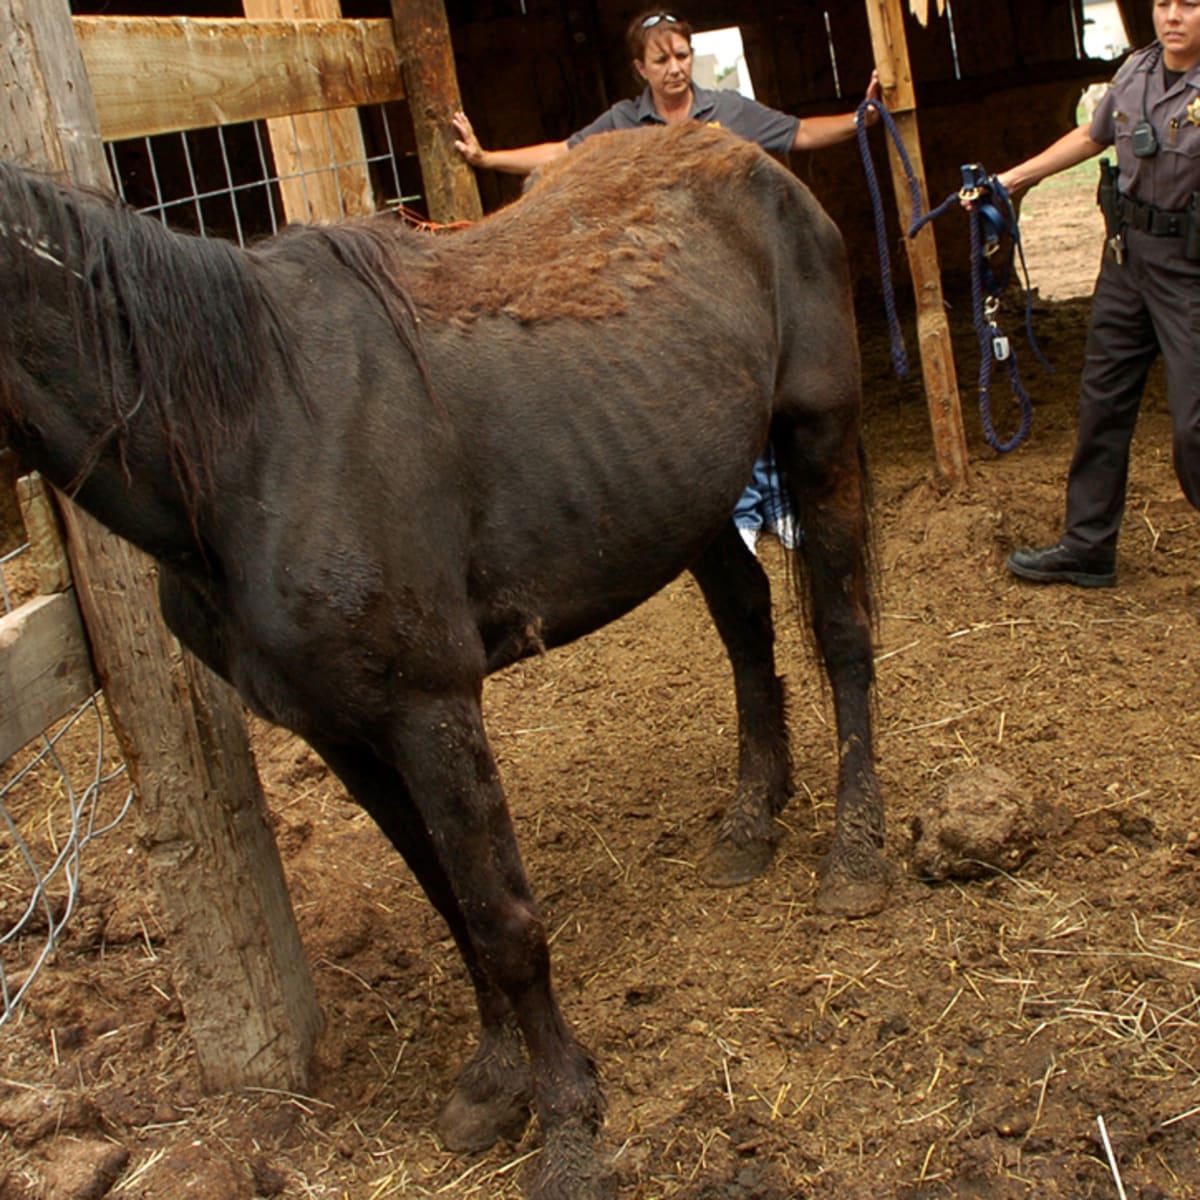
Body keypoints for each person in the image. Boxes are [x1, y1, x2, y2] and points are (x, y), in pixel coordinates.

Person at [453, 10, 880, 555]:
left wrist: (862, 119)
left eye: (682, 55)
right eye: (662, 60)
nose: (676, 68)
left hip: (738, 276)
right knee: (724, 395)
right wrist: (487, 157)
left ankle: (777, 505)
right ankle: (742, 513)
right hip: (678, 286)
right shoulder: (625, 124)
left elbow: (797, 132)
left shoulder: (725, 111)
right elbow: (564, 153)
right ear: (641, 68)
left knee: (771, 389)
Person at [985, 0, 1200, 588]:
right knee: (1101, 405)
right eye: (1163, 4)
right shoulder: (1136, 71)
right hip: (1126, 261)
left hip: (1191, 272)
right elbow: (1090, 135)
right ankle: (1087, 546)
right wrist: (1011, 179)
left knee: (1193, 426)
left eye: (1190, 4)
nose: (1172, 17)